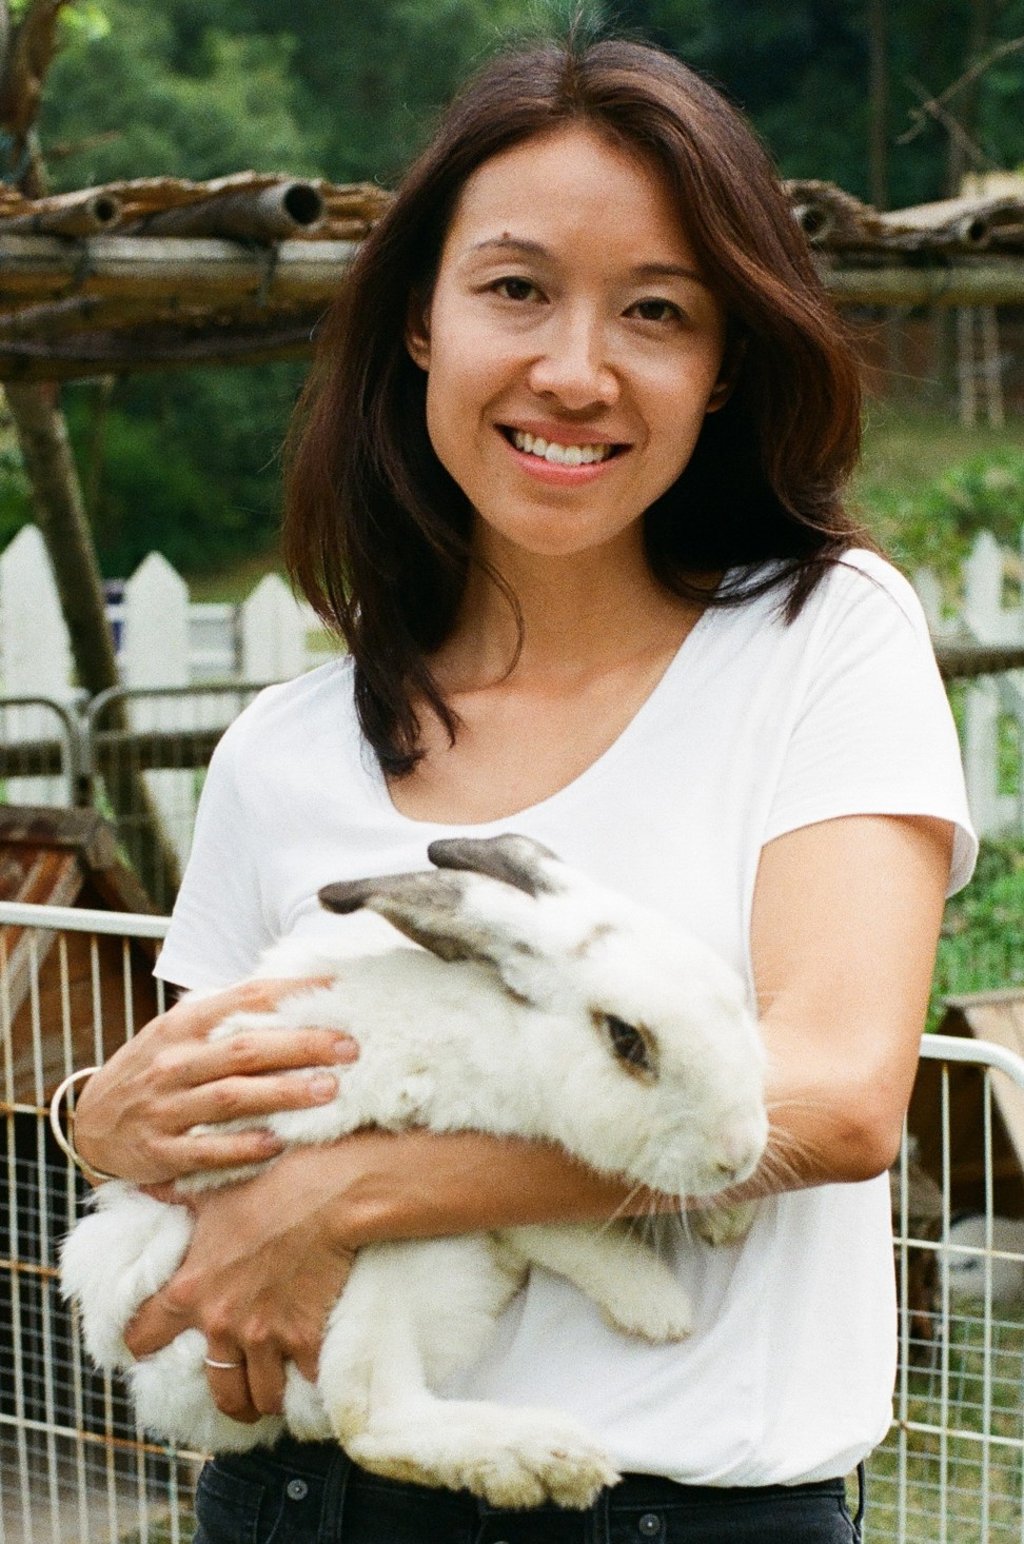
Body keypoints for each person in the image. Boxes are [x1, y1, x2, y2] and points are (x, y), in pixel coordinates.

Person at [72, 29, 976, 1544]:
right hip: (298, 1505)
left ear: (722, 363)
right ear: (419, 323)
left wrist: (350, 1198)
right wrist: (95, 1118)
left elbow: (832, 1097)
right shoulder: (285, 751)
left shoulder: (824, 643)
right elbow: (221, 1138)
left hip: (676, 1516)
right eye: (514, 289)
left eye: (656, 311)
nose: (575, 368)